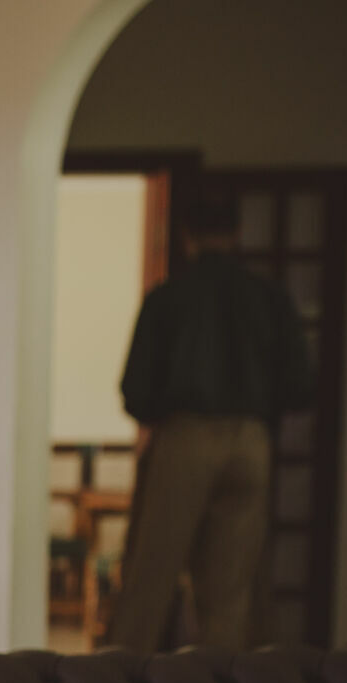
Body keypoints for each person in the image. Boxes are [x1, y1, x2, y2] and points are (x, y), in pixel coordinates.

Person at [109, 193, 314, 651]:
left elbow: (136, 393)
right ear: (236, 233)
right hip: (252, 441)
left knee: (151, 576)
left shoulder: (168, 298)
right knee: (232, 592)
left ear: (186, 236)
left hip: (186, 436)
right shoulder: (269, 297)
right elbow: (301, 385)